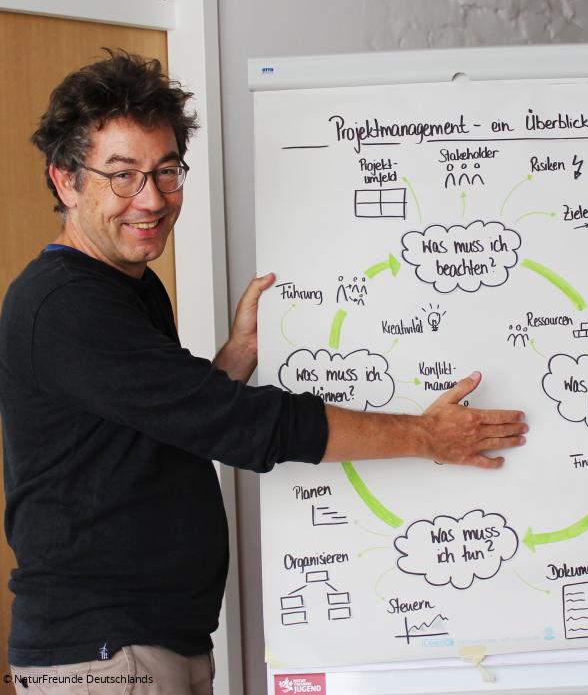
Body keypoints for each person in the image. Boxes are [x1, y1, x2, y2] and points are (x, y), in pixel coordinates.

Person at [0, 51, 527, 692]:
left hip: (145, 642)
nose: (152, 198)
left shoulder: (127, 286)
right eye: (122, 175)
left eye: (166, 170)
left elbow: (163, 427)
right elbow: (243, 426)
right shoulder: (65, 304)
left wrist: (234, 360)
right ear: (65, 181)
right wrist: (426, 436)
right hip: (106, 651)